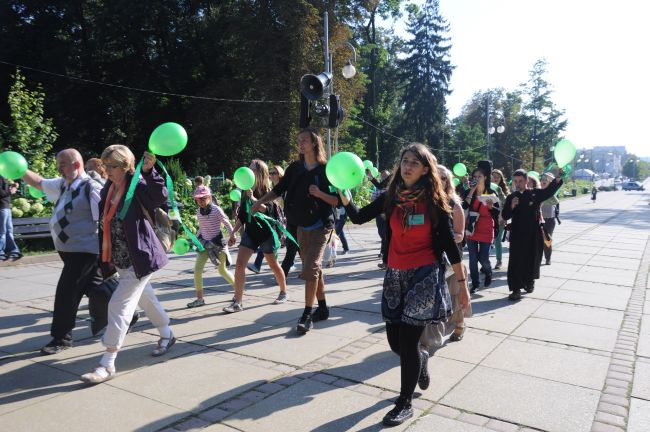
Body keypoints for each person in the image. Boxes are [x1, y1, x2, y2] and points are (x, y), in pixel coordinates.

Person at [340, 143, 468, 426]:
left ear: (425, 169)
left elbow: (450, 245)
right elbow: (359, 217)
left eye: (414, 162)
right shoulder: (391, 198)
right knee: (396, 343)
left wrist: (463, 285)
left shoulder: (435, 202)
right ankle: (420, 361)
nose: (407, 166)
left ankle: (404, 402)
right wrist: (344, 195)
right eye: (404, 160)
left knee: (408, 342)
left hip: (425, 274)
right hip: (396, 274)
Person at [80, 145, 174, 384]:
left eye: (111, 166)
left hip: (139, 259)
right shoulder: (109, 188)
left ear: (125, 166)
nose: (107, 171)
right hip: (121, 259)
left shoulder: (137, 183)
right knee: (146, 298)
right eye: (105, 166)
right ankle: (167, 334)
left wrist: (151, 171)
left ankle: (107, 363)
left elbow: (159, 197)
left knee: (119, 304)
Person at [251, 129, 339, 334]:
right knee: (315, 270)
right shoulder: (295, 168)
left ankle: (307, 314)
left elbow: (336, 201)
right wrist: (259, 203)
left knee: (311, 267)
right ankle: (323, 308)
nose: (300, 144)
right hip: (300, 226)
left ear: (315, 143)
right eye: (298, 141)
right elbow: (278, 189)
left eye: (304, 140)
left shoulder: (326, 170)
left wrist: (319, 193)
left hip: (321, 225)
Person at [22, 149, 104, 354]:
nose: (59, 168)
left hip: (84, 250)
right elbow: (39, 183)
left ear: (76, 164)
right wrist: (19, 169)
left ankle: (61, 338)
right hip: (69, 250)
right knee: (96, 289)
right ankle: (125, 314)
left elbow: (106, 216)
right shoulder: (62, 185)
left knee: (66, 293)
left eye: (63, 164)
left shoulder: (91, 187)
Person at [225, 159, 288, 312]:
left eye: (251, 169)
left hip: (266, 233)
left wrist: (253, 198)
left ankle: (283, 291)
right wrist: (233, 232)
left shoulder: (268, 190)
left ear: (259, 173)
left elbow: (267, 211)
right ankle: (238, 302)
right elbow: (243, 215)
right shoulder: (245, 191)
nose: (248, 171)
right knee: (240, 264)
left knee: (273, 264)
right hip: (251, 232)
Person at [502, 169, 563, 301]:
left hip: (533, 233)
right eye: (515, 181)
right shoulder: (511, 197)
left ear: (526, 181)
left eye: (521, 181)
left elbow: (549, 192)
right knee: (515, 262)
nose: (517, 184)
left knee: (531, 259)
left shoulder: (534, 193)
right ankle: (516, 289)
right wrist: (511, 206)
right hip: (517, 234)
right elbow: (505, 216)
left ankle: (530, 282)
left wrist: (557, 179)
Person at [187, 185, 235, 308]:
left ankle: (238, 291)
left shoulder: (216, 210)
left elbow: (227, 222)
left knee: (222, 270)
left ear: (209, 197)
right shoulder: (199, 212)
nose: (201, 202)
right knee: (197, 270)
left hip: (218, 244)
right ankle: (200, 299)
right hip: (205, 244)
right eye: (198, 199)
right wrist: (195, 239)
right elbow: (202, 228)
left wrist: (232, 235)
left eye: (203, 198)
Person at [437, 165, 467, 342]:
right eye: (437, 177)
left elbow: (460, 235)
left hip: (452, 258)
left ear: (448, 182)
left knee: (454, 292)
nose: (440, 181)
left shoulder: (455, 205)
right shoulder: (429, 202)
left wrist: (445, 236)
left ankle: (459, 325)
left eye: (443, 178)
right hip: (434, 258)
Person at [462, 161, 499, 293]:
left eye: (479, 176)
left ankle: (488, 272)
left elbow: (497, 211)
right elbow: (463, 207)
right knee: (472, 258)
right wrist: (471, 191)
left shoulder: (491, 192)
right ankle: (475, 284)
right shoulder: (468, 192)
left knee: (483, 258)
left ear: (485, 178)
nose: (476, 179)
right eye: (475, 177)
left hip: (487, 227)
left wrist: (491, 207)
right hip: (471, 228)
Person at [248, 165, 285, 274]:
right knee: (270, 242)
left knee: (287, 243)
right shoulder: (270, 187)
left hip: (283, 218)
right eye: (271, 173)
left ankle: (288, 264)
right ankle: (260, 265)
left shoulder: (283, 187)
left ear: (280, 174)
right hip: (274, 217)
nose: (272, 175)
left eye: (274, 173)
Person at [491, 169, 510, 269]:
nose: (495, 178)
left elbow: (507, 203)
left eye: (498, 177)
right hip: (487, 219)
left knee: (497, 240)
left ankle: (499, 261)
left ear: (501, 179)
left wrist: (499, 191)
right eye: (493, 176)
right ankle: (484, 262)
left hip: (500, 219)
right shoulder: (486, 188)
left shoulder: (503, 190)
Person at [0, 176, 22, 261]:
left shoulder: (3, 176)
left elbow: (4, 190)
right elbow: (1, 193)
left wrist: (11, 186)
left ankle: (14, 251)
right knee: (2, 232)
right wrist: (10, 191)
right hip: (1, 208)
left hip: (6, 207)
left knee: (9, 231)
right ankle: (1, 253)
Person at [540, 173, 560, 265]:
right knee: (538, 240)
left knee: (547, 240)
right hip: (539, 219)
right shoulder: (537, 191)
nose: (543, 181)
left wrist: (548, 192)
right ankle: (538, 259)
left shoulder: (551, 193)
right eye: (542, 180)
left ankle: (548, 258)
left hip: (549, 220)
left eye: (546, 180)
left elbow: (556, 201)